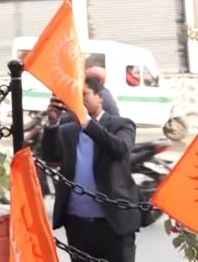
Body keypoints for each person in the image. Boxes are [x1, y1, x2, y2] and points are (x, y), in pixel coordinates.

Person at [41, 76, 140, 262]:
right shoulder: (67, 130)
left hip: (114, 224)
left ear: (100, 97)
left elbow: (120, 148)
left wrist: (86, 121)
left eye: (84, 94)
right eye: (75, 96)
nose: (79, 100)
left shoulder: (121, 125)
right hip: (77, 224)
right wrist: (53, 123)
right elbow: (50, 157)